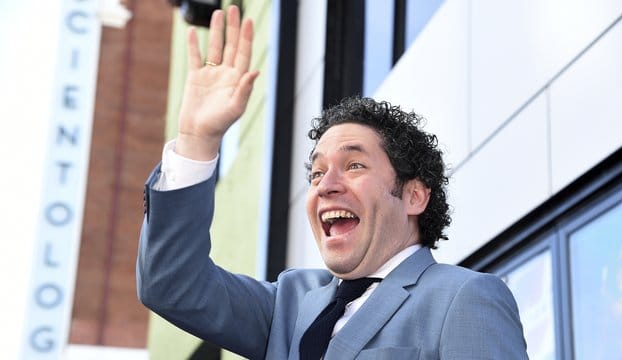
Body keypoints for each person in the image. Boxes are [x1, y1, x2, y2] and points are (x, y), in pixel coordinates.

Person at [136, 5, 528, 359]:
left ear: (413, 195)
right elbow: (170, 284)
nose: (326, 185)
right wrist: (196, 141)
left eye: (354, 165)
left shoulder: (465, 298)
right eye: (317, 173)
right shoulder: (288, 304)